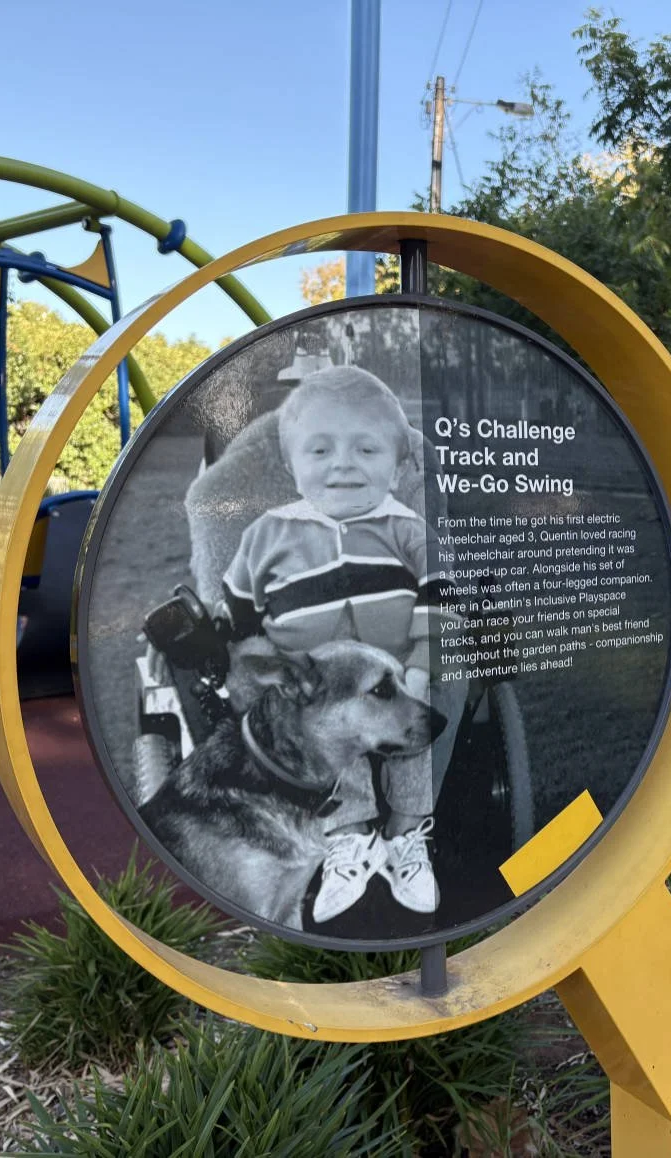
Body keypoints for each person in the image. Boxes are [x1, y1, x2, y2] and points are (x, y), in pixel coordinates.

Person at [222, 365, 460, 923]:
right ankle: (348, 834)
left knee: (416, 713)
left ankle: (405, 831)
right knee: (329, 725)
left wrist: (423, 663)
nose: (344, 465)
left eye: (366, 450)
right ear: (291, 465)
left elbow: (440, 596)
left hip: (398, 671)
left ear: (398, 466)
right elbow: (236, 607)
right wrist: (245, 655)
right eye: (321, 451)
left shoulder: (407, 529)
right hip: (308, 682)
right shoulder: (268, 533)